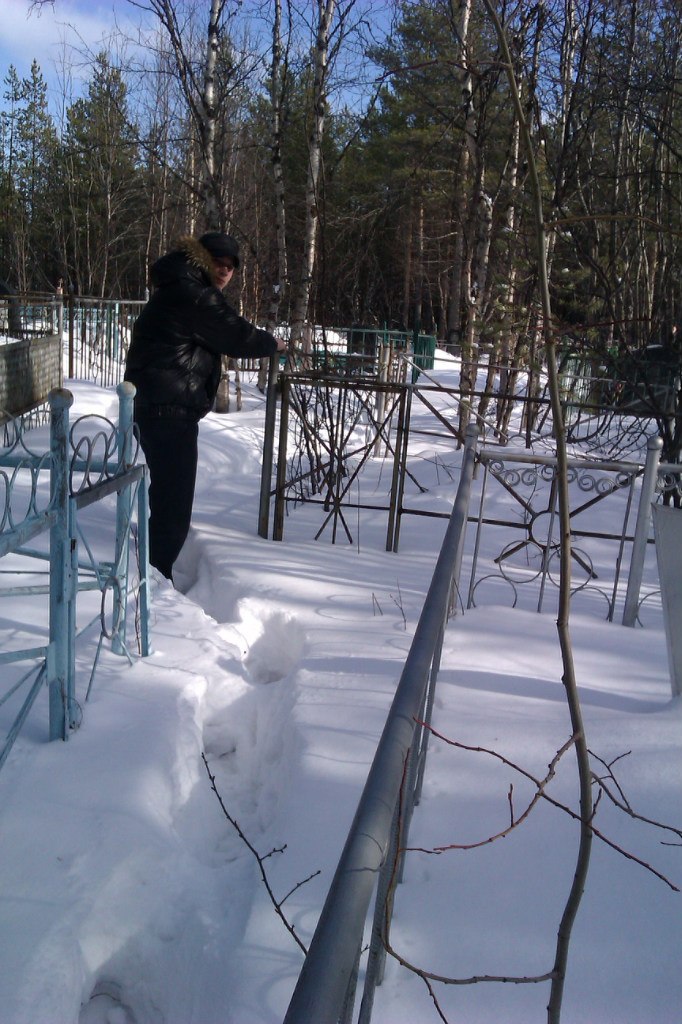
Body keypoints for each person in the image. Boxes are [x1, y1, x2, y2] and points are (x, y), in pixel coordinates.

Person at [124, 231, 287, 581]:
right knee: (173, 511)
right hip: (169, 410)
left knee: (167, 500)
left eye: (231, 266)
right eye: (219, 262)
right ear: (202, 259)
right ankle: (153, 584)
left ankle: (150, 571)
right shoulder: (195, 295)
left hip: (158, 406)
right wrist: (271, 342)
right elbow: (235, 335)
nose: (225, 271)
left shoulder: (178, 286)